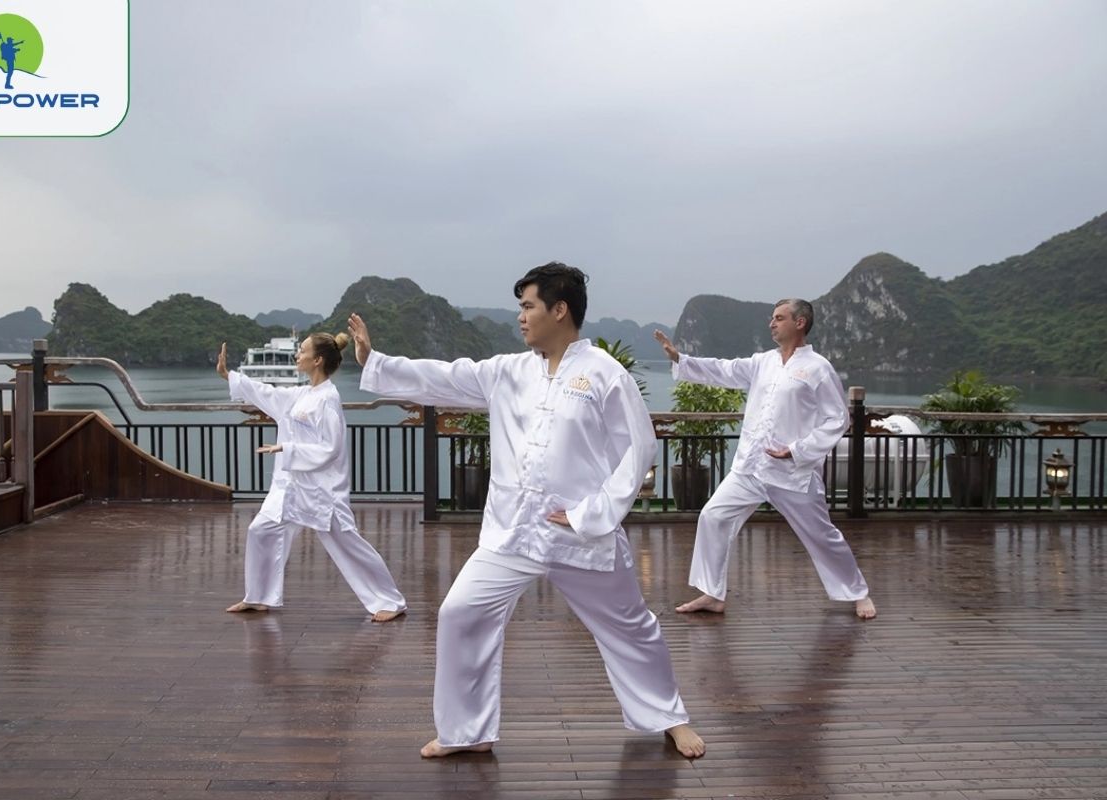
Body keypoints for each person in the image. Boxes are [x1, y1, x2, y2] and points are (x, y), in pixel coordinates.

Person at [348, 262, 705, 759]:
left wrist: (592, 512)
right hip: (513, 531)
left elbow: (637, 449)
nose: (521, 316)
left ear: (559, 310)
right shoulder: (508, 372)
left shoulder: (603, 372)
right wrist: (376, 361)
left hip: (582, 533)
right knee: (460, 613)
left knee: (630, 626)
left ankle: (670, 718)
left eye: (528, 306)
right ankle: (466, 732)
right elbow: (446, 377)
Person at [654, 299, 877, 620]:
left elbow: (837, 419)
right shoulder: (763, 362)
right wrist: (681, 359)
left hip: (792, 471)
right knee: (713, 516)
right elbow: (724, 370)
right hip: (750, 467)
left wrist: (798, 450)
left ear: (800, 323)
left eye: (779, 318)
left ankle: (858, 593)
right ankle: (712, 593)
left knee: (821, 534)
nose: (772, 323)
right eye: (771, 318)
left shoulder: (818, 368)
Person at [216, 333, 407, 623]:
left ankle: (390, 601)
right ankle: (259, 597)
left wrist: (287, 448)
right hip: (290, 487)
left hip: (321, 490)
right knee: (261, 531)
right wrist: (230, 376)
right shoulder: (302, 394)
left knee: (347, 543)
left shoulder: (328, 399)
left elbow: (331, 447)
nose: (297, 355)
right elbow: (268, 393)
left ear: (317, 360)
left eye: (302, 350)